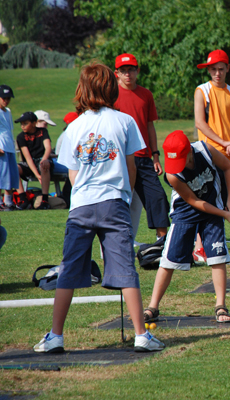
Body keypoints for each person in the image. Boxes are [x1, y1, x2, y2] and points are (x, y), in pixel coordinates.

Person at [34, 62, 164, 353]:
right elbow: (131, 168)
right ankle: (141, 335)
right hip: (114, 203)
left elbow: (72, 174)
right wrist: (124, 195)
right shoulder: (125, 121)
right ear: (111, 87)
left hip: (81, 206)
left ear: (83, 88)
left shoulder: (73, 128)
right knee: (125, 269)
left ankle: (55, 336)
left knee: (68, 270)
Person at [143, 130, 230, 323]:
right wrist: (224, 214)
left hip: (214, 206)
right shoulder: (172, 175)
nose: (176, 166)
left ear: (189, 152)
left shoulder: (205, 150)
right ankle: (153, 307)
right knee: (168, 260)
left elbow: (228, 168)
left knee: (217, 257)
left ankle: (221, 306)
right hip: (185, 212)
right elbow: (194, 201)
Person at [193, 49, 230, 262]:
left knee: (228, 201)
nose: (217, 73)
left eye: (220, 69)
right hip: (208, 154)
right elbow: (200, 123)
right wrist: (224, 142)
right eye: (213, 69)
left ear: (227, 69)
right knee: (207, 200)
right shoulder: (202, 91)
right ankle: (199, 248)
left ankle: (215, 245)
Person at [114, 53, 170, 240]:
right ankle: (115, 246)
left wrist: (155, 155)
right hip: (120, 158)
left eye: (131, 70)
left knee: (158, 197)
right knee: (120, 203)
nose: (127, 74)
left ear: (137, 71)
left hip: (144, 158)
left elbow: (149, 125)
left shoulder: (146, 94)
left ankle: (161, 245)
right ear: (117, 74)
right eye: (123, 71)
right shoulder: (111, 95)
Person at [14, 112, 55, 210]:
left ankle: (44, 200)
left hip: (43, 160)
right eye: (21, 124)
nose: (22, 126)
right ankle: (23, 199)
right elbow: (27, 158)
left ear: (33, 123)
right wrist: (37, 175)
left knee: (43, 164)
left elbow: (48, 148)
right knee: (14, 168)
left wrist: (44, 159)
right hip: (30, 163)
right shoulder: (21, 137)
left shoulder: (43, 132)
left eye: (25, 123)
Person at [0, 85, 19, 211]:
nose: (6, 100)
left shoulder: (8, 111)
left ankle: (8, 203)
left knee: (11, 176)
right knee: (1, 176)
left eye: (8, 98)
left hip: (9, 146)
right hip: (1, 147)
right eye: (4, 98)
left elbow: (9, 130)